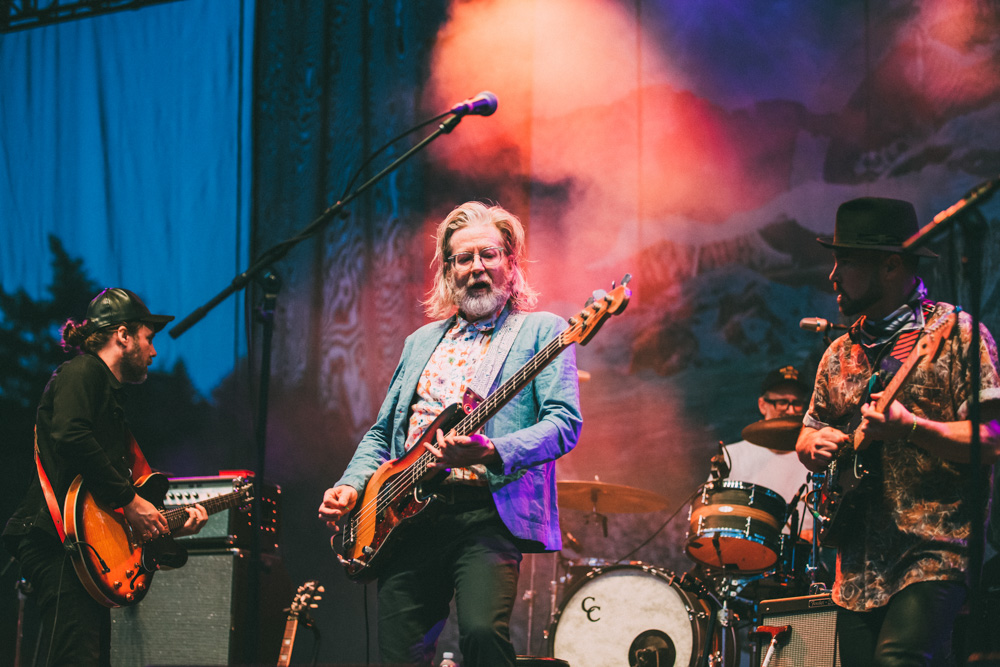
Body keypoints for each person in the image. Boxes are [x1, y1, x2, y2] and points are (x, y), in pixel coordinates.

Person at [319, 201, 583, 666]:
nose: (477, 267)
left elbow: (563, 423)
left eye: (489, 255)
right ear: (448, 271)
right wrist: (349, 486)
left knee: (483, 636)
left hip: (484, 513)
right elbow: (383, 435)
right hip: (404, 519)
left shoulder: (543, 331)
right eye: (464, 258)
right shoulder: (420, 341)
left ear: (511, 263)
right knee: (399, 654)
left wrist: (491, 450)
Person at [795, 197, 1000, 666]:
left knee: (899, 660)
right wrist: (812, 446)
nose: (833, 276)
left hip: (934, 552)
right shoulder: (838, 354)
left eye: (844, 261)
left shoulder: (956, 334)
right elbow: (807, 433)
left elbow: (991, 438)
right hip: (857, 570)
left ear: (890, 265)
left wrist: (911, 429)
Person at [2, 288, 209, 666]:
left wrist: (170, 526)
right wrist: (130, 502)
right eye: (149, 338)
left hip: (83, 545)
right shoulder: (82, 372)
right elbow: (70, 434)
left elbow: (105, 503)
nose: (154, 351)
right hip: (55, 540)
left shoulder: (111, 398)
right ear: (123, 335)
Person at [719, 365, 813, 534]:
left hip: (798, 557)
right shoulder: (732, 455)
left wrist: (816, 535)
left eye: (797, 403)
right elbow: (714, 516)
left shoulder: (815, 458)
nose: (791, 410)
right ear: (762, 405)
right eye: (782, 402)